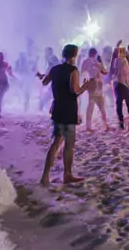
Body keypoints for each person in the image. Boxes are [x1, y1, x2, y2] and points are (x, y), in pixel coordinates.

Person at [38, 44, 93, 186]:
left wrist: (41, 76)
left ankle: (45, 177)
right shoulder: (73, 70)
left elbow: (44, 82)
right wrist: (85, 87)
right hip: (68, 109)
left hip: (57, 108)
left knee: (56, 142)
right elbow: (74, 91)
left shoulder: (55, 69)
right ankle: (67, 174)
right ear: (74, 56)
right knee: (69, 144)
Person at [81, 48, 111, 132]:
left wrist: (85, 84)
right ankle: (105, 126)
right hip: (97, 84)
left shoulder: (85, 62)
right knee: (100, 106)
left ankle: (89, 126)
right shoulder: (97, 63)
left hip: (91, 84)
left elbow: (82, 73)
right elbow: (104, 72)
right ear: (95, 54)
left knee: (91, 106)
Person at [109, 42, 129, 130]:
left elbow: (112, 72)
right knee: (127, 103)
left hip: (118, 84)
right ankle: (128, 122)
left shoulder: (117, 60)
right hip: (123, 84)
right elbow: (128, 73)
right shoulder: (122, 60)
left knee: (119, 103)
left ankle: (121, 123)